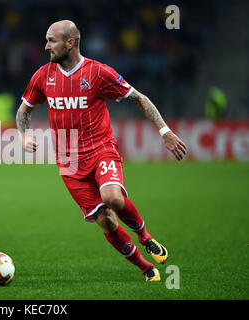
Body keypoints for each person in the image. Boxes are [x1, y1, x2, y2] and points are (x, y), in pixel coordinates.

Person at [16, 20, 187, 282]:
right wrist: (23, 134)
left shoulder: (98, 73)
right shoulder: (43, 76)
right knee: (105, 220)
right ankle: (145, 268)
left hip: (100, 149)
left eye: (52, 40)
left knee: (112, 198)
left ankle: (145, 237)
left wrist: (165, 132)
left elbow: (139, 98)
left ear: (70, 42)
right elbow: (24, 110)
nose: (46, 46)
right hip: (69, 163)